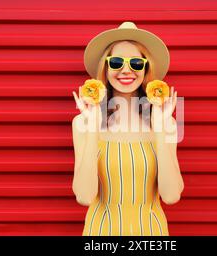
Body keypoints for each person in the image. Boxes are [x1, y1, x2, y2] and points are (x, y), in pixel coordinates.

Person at [72, 21, 184, 236]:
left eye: (136, 62)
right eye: (115, 62)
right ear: (105, 67)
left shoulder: (167, 122)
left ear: (146, 68)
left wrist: (159, 128)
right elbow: (85, 197)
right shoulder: (82, 123)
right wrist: (94, 126)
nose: (126, 70)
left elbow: (171, 196)